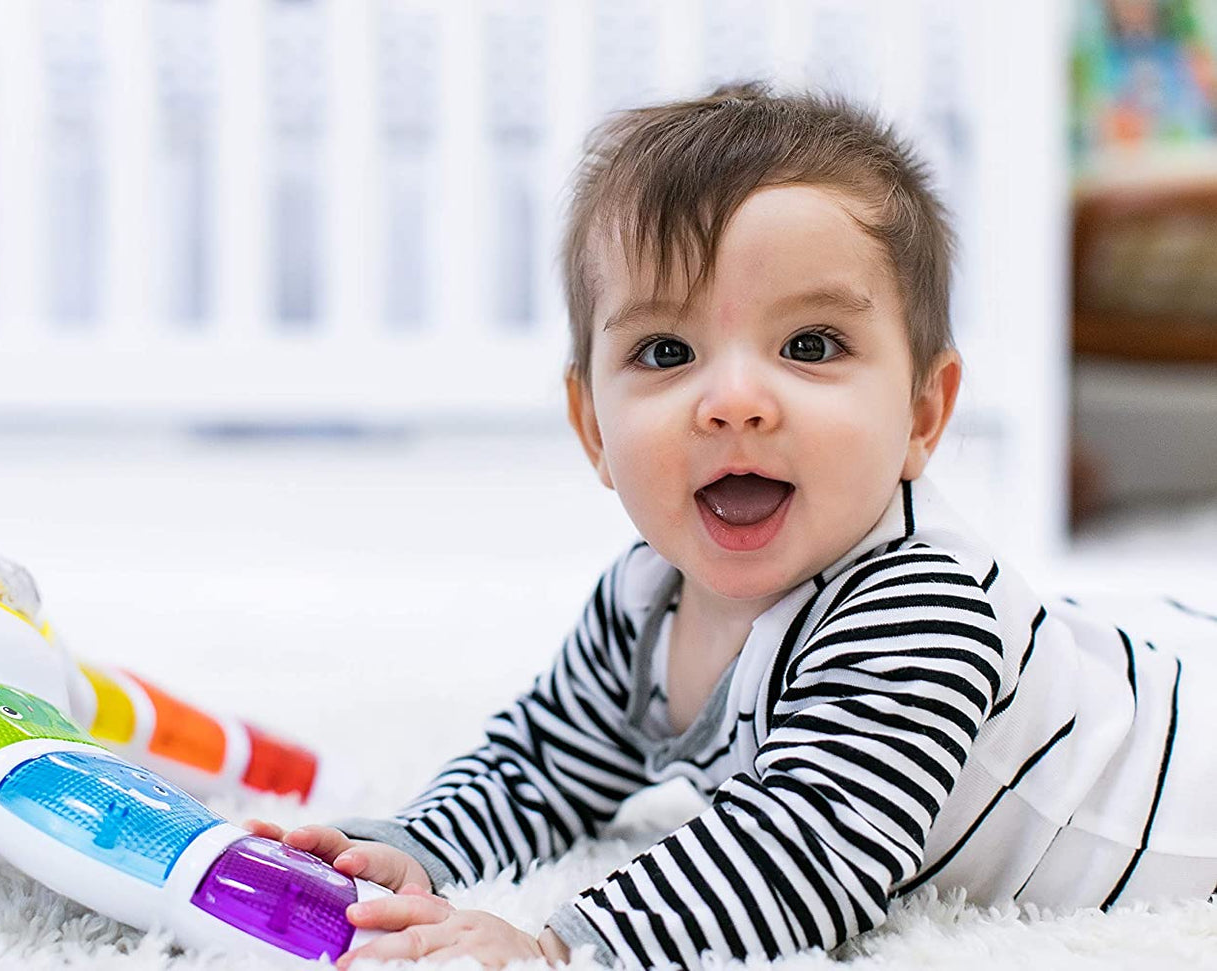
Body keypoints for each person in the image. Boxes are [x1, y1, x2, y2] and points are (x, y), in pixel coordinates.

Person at [246, 82, 1217, 968]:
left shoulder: (918, 607)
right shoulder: (644, 600)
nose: (735, 402)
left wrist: (558, 945)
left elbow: (803, 851)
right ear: (592, 426)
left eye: (809, 344)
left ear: (922, 414)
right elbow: (537, 763)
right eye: (667, 351)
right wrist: (415, 846)